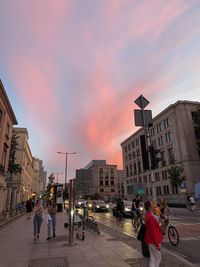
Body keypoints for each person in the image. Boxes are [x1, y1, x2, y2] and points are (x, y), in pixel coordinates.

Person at [144, 200, 163, 267]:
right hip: (154, 241)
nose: (154, 205)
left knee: (153, 258)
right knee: (158, 258)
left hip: (150, 240)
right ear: (149, 207)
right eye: (152, 204)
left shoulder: (148, 215)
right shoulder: (151, 217)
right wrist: (157, 244)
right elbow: (153, 232)